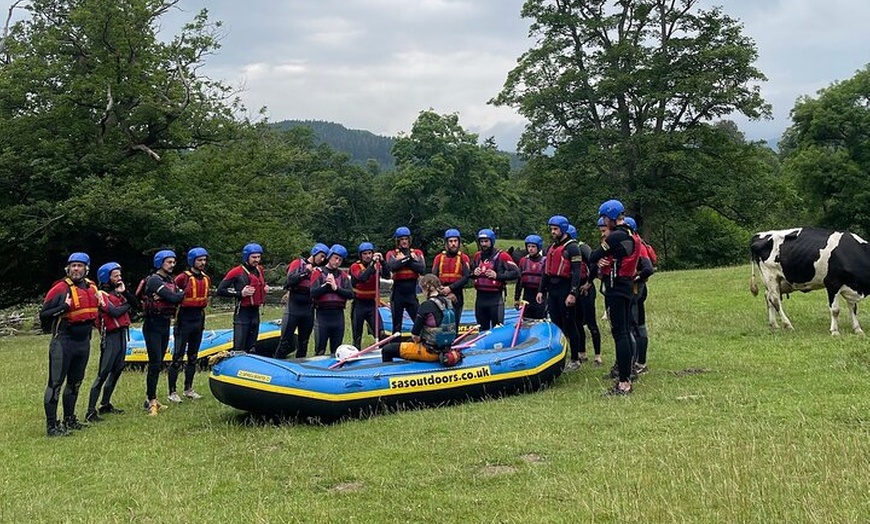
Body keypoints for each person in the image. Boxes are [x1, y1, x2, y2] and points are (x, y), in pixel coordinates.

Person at [40, 252, 102, 436]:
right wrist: (63, 307)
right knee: (55, 383)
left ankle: (70, 419)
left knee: (75, 383)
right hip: (64, 342)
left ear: (86, 269)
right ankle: (52, 426)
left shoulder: (92, 287)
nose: (76, 269)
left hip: (83, 343)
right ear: (68, 268)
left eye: (79, 266)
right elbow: (44, 315)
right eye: (73, 266)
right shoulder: (60, 288)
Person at [589, 200, 641, 395]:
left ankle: (624, 382)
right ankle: (626, 378)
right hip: (627, 286)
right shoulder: (632, 233)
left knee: (620, 334)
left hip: (616, 288)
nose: (603, 222)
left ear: (610, 217)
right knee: (625, 332)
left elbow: (593, 256)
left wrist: (603, 259)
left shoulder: (615, 236)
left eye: (604, 218)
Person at [86, 262, 136, 422]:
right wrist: (127, 305)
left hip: (121, 334)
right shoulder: (101, 294)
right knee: (103, 372)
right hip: (110, 337)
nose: (119, 278)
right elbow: (113, 311)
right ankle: (90, 411)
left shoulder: (119, 293)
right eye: (116, 276)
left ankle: (105, 404)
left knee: (118, 369)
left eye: (120, 275)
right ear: (107, 278)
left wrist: (125, 294)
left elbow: (136, 304)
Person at [138, 249, 185, 415]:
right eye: (168, 262)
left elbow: (177, 297)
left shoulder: (170, 280)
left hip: (164, 324)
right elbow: (174, 298)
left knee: (159, 363)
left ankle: (153, 398)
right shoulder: (153, 280)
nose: (172, 265)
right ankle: (150, 400)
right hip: (152, 325)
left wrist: (171, 295)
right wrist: (173, 295)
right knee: (155, 363)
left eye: (173, 262)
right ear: (160, 263)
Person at [382, 274, 462, 366]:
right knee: (408, 342)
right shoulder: (448, 302)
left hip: (429, 352)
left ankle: (387, 372)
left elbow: (415, 336)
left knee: (387, 349)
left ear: (426, 288)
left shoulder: (426, 305)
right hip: (446, 349)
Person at [536, 216, 584, 371]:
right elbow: (546, 272)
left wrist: (573, 293)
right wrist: (541, 290)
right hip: (553, 289)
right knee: (556, 325)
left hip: (565, 287)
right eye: (551, 229)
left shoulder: (572, 247)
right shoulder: (551, 247)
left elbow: (576, 272)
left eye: (555, 229)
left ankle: (575, 358)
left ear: (563, 229)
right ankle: (558, 357)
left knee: (570, 324)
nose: (552, 232)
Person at [167, 247, 210, 403]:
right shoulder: (182, 278)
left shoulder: (206, 278)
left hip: (198, 319)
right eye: (199, 260)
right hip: (184, 319)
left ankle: (188, 389)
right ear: (192, 261)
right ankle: (172, 392)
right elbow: (171, 294)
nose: (202, 263)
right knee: (178, 356)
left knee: (193, 356)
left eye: (204, 260)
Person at [275, 243, 328, 359]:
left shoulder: (320, 270)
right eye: (321, 256)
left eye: (324, 257)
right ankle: (277, 363)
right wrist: (306, 272)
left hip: (308, 310)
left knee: (304, 343)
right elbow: (290, 280)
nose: (322, 259)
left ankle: (300, 364)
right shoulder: (298, 263)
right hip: (293, 309)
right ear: (314, 253)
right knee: (285, 341)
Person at [217, 243, 268, 355]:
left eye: (259, 257)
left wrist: (265, 287)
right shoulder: (236, 272)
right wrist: (240, 293)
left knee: (252, 347)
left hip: (255, 313)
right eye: (254, 257)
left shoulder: (260, 270)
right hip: (242, 314)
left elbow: (260, 284)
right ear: (246, 257)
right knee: (239, 347)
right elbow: (220, 290)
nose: (257, 260)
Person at [470, 228, 520, 331]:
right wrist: (473, 273)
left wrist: (497, 276)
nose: (484, 244)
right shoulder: (477, 256)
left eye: (486, 241)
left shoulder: (502, 256)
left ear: (492, 241)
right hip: (480, 299)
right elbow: (469, 273)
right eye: (481, 241)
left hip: (495, 299)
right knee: (482, 329)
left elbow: (516, 272)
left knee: (498, 329)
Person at [567, 224, 602, 366]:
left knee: (591, 322)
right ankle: (582, 352)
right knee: (577, 322)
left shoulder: (583, 248)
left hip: (586, 288)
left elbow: (594, 265)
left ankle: (598, 356)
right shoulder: (564, 250)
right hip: (574, 289)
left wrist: (588, 282)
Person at [624, 216, 655, 375]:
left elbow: (648, 268)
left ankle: (639, 363)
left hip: (637, 290)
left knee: (636, 325)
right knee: (635, 324)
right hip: (637, 289)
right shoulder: (633, 242)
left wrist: (635, 278)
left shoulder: (637, 245)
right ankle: (636, 361)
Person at [311, 244, 354, 355]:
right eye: (335, 258)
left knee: (336, 351)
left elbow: (350, 294)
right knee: (320, 350)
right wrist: (327, 285)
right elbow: (313, 293)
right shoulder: (318, 273)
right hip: (322, 316)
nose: (337, 261)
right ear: (329, 257)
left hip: (338, 317)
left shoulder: (343, 276)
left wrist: (336, 288)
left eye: (340, 260)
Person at [385, 226, 426, 334]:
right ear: (398, 241)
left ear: (409, 240)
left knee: (418, 322)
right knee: (397, 325)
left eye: (406, 239)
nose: (404, 242)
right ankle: (395, 343)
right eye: (401, 239)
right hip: (397, 294)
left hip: (411, 294)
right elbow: (393, 266)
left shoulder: (417, 252)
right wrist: (410, 259)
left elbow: (421, 268)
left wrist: (404, 260)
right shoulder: (391, 253)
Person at [350, 242, 388, 350]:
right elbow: (363, 277)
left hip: (371, 304)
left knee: (381, 332)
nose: (368, 256)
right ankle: (356, 351)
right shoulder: (355, 266)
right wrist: (372, 265)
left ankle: (382, 352)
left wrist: (383, 262)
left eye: (370, 253)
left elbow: (387, 275)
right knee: (357, 335)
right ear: (360, 255)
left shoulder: (377, 265)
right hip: (359, 304)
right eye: (365, 254)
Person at [431, 228, 471, 332]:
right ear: (446, 243)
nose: (453, 244)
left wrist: (451, 288)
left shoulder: (463, 258)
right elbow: (434, 277)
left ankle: (454, 340)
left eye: (455, 241)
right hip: (441, 293)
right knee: (441, 323)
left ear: (459, 242)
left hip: (457, 293)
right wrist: (443, 291)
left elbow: (466, 277)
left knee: (454, 324)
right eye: (451, 241)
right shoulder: (439, 258)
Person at [514, 234, 547, 320]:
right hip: (527, 296)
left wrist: (542, 292)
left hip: (540, 296)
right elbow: (519, 281)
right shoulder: (523, 261)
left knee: (540, 320)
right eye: (528, 246)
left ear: (538, 247)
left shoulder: (545, 261)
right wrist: (517, 298)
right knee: (526, 320)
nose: (530, 249)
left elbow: (546, 280)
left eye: (533, 246)